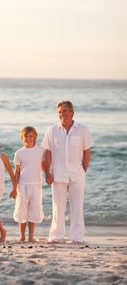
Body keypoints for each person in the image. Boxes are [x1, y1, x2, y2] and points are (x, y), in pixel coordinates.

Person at [41, 101, 93, 244]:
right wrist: (47, 173)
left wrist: (83, 170)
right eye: (59, 112)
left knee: (77, 207)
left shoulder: (82, 129)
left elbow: (87, 152)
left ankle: (77, 237)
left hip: (77, 174)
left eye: (64, 111)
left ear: (71, 112)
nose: (61, 114)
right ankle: (56, 237)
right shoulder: (52, 130)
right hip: (57, 175)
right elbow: (47, 153)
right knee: (58, 207)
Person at [13, 126, 46, 242]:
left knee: (34, 210)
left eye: (31, 136)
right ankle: (22, 236)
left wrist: (48, 174)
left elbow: (46, 162)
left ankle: (31, 237)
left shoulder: (40, 150)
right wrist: (14, 188)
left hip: (36, 185)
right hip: (22, 185)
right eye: (26, 136)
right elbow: (16, 172)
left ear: (35, 137)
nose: (28, 138)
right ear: (22, 137)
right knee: (22, 211)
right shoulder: (19, 153)